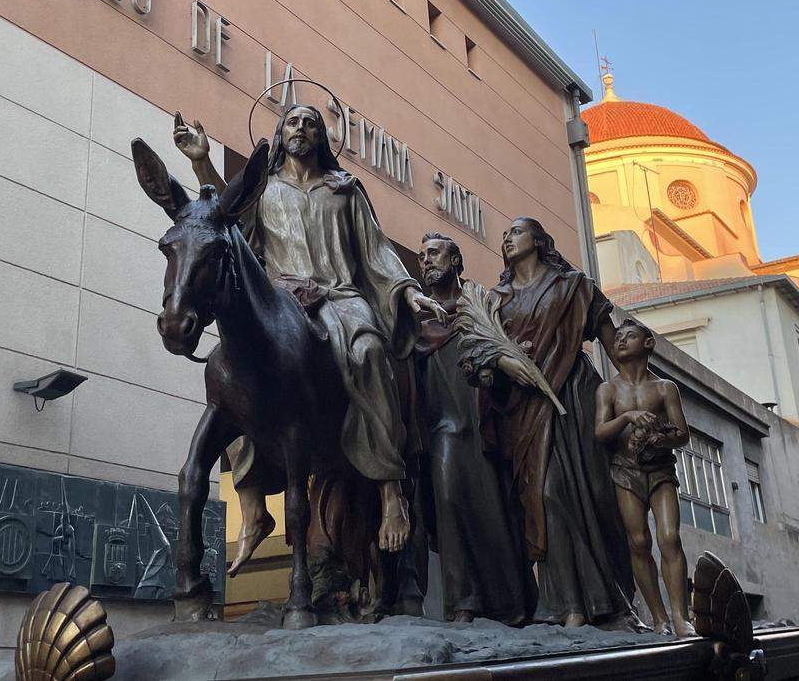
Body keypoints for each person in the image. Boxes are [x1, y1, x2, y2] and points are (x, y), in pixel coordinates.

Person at [174, 105, 447, 573]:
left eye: (310, 122)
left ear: (322, 136)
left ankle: (389, 490)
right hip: (283, 299)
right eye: (292, 122)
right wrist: (202, 162)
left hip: (341, 297)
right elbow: (228, 222)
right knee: (238, 368)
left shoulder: (345, 190)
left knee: (369, 351)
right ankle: (253, 504)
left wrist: (407, 294)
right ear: (281, 133)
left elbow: (377, 251)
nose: (300, 128)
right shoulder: (266, 189)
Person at [459, 217, 636, 627]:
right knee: (546, 493)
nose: (507, 238)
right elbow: (473, 356)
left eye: (516, 232)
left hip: (574, 397)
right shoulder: (496, 299)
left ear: (539, 241)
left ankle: (612, 599)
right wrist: (503, 360)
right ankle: (565, 604)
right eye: (504, 235)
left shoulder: (573, 285)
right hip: (525, 409)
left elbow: (613, 343)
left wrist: (638, 390)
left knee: (593, 493)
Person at [413, 231, 534, 624]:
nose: (426, 260)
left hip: (484, 424)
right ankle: (462, 603)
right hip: (440, 427)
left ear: (456, 260)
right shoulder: (417, 319)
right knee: (447, 500)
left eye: (434, 253)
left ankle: (512, 604)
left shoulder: (481, 305)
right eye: (422, 256)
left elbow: (505, 352)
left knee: (497, 513)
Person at [595, 317, 695, 636]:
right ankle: (659, 617)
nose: (621, 340)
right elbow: (600, 432)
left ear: (648, 344)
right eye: (618, 337)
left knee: (669, 537)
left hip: (661, 471)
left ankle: (681, 616)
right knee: (638, 541)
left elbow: (682, 434)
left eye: (631, 336)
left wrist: (658, 439)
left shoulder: (665, 388)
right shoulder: (608, 389)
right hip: (625, 472)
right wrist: (627, 417)